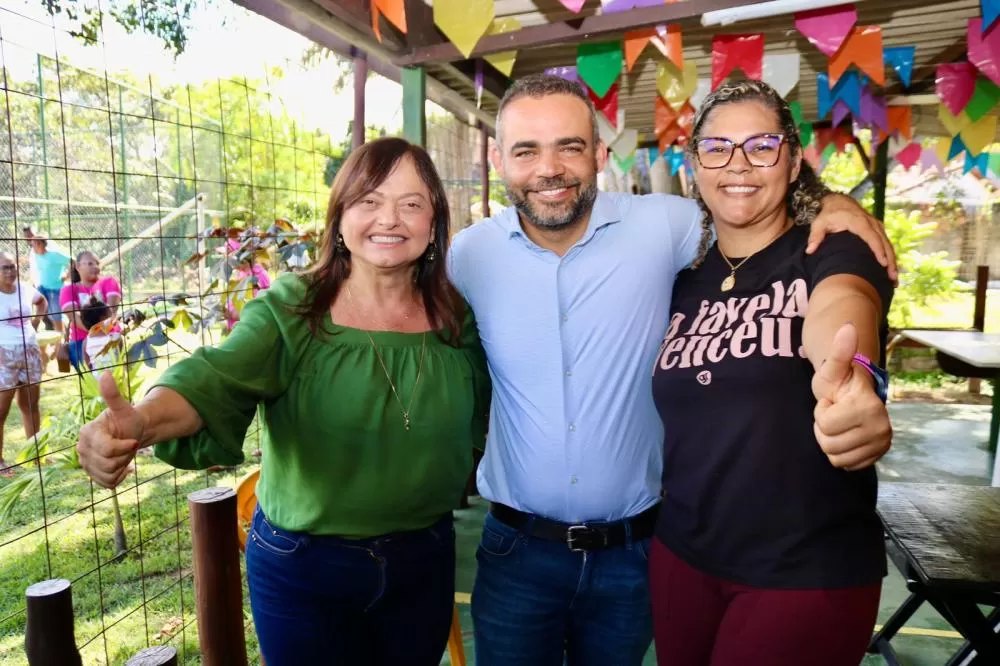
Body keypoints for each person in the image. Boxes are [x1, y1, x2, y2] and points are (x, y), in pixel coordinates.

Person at [447, 73, 896, 666]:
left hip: (639, 554)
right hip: (522, 551)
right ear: (498, 158)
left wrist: (854, 369)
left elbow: (831, 287)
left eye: (570, 146)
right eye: (526, 150)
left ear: (600, 156)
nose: (548, 168)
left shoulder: (666, 227)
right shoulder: (468, 255)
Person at [75, 137, 491, 666]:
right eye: (369, 200)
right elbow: (217, 377)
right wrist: (144, 421)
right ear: (339, 218)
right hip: (307, 569)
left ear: (434, 224)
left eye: (411, 203)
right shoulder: (294, 308)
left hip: (423, 561)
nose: (390, 218)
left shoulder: (457, 317)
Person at [648, 80, 893, 666]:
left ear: (792, 156)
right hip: (682, 556)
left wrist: (854, 375)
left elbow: (844, 308)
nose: (738, 165)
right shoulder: (679, 276)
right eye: (717, 147)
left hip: (804, 570)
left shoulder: (831, 249)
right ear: (694, 163)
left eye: (761, 146)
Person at [0, 251, 47, 477]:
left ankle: (35, 455)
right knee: (1, 410)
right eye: (4, 268)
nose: (9, 271)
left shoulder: (26, 289)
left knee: (30, 404)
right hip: (3, 355)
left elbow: (42, 302)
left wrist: (36, 323)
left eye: (11, 266)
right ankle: (0, 461)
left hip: (29, 351)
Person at [59, 251, 122, 370]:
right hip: (81, 342)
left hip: (111, 337)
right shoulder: (68, 290)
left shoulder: (109, 282)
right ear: (77, 267)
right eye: (90, 264)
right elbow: (74, 317)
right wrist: (97, 333)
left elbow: (112, 310)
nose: (95, 267)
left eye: (97, 263)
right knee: (92, 382)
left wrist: (100, 333)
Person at [28, 234, 70, 332]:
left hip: (55, 289)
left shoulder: (54, 255)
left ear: (39, 244)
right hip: (42, 288)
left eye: (32, 245)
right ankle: (35, 334)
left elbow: (73, 261)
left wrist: (67, 276)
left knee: (55, 316)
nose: (31, 247)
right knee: (39, 313)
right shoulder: (36, 256)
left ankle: (61, 338)